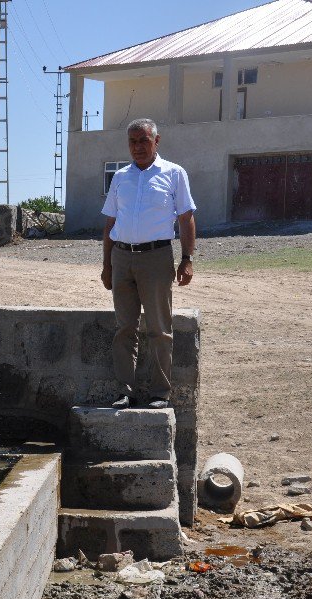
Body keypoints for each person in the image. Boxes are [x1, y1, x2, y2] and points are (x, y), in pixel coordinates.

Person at [100, 118, 196, 410]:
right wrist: (107, 264)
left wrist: (187, 259)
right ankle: (125, 391)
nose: (137, 147)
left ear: (157, 141)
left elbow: (186, 217)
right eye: (132, 141)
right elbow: (110, 222)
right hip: (121, 257)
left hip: (156, 258)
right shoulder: (120, 177)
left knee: (159, 329)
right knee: (124, 328)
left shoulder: (174, 173)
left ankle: (159, 392)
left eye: (143, 140)